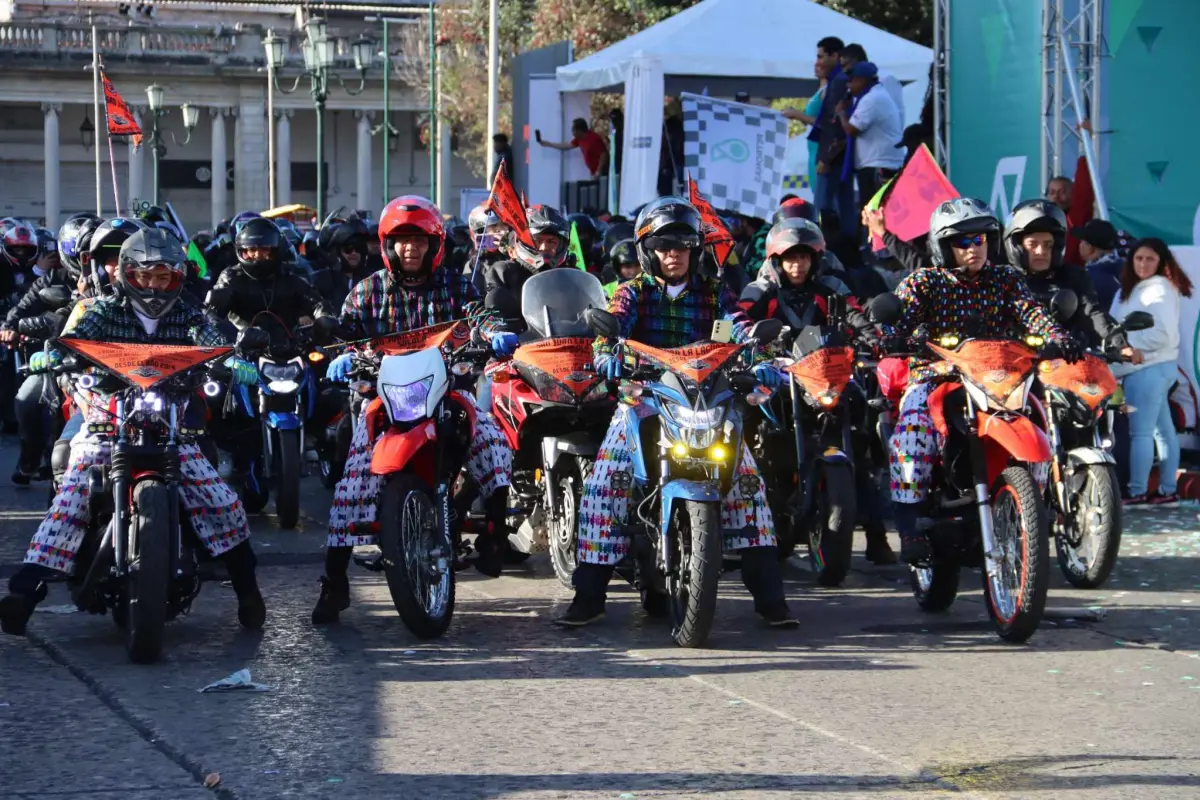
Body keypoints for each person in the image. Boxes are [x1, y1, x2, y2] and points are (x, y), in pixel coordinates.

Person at [0, 228, 264, 636]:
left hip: (170, 425)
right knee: (73, 498)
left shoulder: (190, 312)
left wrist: (235, 361)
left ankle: (248, 592)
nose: (153, 286)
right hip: (107, 421)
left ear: (177, 277)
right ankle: (25, 592)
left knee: (222, 501)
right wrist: (51, 354)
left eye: (162, 277)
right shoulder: (105, 309)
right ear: (126, 274)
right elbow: (74, 340)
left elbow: (215, 341)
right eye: (143, 277)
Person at [556, 196, 796, 628]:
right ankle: (588, 595)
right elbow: (613, 325)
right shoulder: (633, 292)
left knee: (747, 483)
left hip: (706, 400)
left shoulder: (712, 293)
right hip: (645, 398)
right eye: (665, 245)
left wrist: (760, 358)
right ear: (649, 250)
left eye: (682, 245)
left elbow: (737, 328)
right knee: (606, 482)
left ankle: (771, 600)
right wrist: (607, 352)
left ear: (695, 250)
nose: (673, 254)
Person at [313, 196, 517, 624]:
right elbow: (346, 329)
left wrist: (495, 331)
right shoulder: (367, 290)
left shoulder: (455, 284)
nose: (411, 250)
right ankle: (334, 585)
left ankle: (495, 539)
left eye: (419, 241)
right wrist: (341, 351)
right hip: (385, 398)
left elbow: (477, 312)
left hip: (446, 389)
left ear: (434, 244)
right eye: (402, 242)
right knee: (351, 488)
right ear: (388, 245)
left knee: (496, 446)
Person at [887, 199, 1073, 564]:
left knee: (1036, 420)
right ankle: (910, 524)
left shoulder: (1005, 278)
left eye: (981, 239)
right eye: (963, 241)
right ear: (943, 247)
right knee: (912, 433)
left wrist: (1058, 336)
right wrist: (890, 336)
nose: (975, 248)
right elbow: (896, 322)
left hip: (999, 380)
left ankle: (1032, 507)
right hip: (938, 377)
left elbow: (1030, 310)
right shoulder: (924, 282)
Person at [730, 218, 895, 565]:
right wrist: (753, 345)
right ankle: (734, 514)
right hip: (780, 376)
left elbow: (854, 314)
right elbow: (740, 320)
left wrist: (876, 338)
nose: (797, 264)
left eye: (804, 256)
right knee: (742, 426)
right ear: (776, 260)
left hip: (826, 375)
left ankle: (877, 536)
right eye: (790, 257)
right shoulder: (762, 292)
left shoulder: (830, 287)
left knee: (863, 437)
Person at [1, 214, 98, 484]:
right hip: (57, 359)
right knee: (27, 401)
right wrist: (12, 326)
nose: (89, 259)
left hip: (105, 366)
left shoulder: (119, 280)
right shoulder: (54, 276)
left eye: (96, 252)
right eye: (82, 252)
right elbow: (25, 308)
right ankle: (32, 456)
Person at [1110, 238, 1190, 507]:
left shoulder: (1158, 290)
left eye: (1150, 259)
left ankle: (1137, 491)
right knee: (1162, 432)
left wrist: (1128, 349)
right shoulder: (1149, 288)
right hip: (1155, 369)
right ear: (1131, 260)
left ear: (1161, 262)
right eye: (1139, 258)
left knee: (1141, 434)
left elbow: (1161, 333)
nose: (1143, 264)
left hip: (1147, 369)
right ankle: (1168, 490)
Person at [1004, 199, 1130, 351]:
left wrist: (1118, 344)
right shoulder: (1002, 278)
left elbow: (1092, 313)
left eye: (1047, 245)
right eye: (1032, 244)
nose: (1041, 251)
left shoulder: (1073, 276)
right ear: (1017, 247)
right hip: (1009, 362)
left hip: (1065, 362)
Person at [835, 62, 903, 236]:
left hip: (877, 165)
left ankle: (878, 252)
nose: (848, 87)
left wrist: (841, 112)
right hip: (880, 162)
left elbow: (851, 129)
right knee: (876, 212)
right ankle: (877, 251)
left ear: (861, 80)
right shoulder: (876, 95)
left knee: (874, 213)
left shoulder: (871, 99)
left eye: (851, 82)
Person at [813, 37, 856, 244]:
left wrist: (826, 158)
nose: (818, 61)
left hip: (833, 159)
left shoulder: (839, 82)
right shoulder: (837, 81)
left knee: (823, 209)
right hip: (840, 157)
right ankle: (848, 251)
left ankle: (826, 252)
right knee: (844, 206)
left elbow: (834, 126)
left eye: (821, 56)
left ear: (834, 56)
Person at [314, 218, 372, 312]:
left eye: (358, 248)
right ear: (337, 252)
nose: (354, 253)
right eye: (348, 249)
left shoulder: (372, 280)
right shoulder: (321, 279)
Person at [1074, 218, 1124, 311]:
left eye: (1083, 241)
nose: (1080, 244)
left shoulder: (1087, 277)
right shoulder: (1127, 269)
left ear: (1090, 248)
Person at [536, 118, 609, 178]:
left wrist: (598, 171)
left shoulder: (594, 138)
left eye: (573, 130)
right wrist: (549, 144)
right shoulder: (579, 139)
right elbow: (566, 146)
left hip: (603, 172)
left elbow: (603, 155)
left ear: (580, 130)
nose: (572, 132)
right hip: (594, 173)